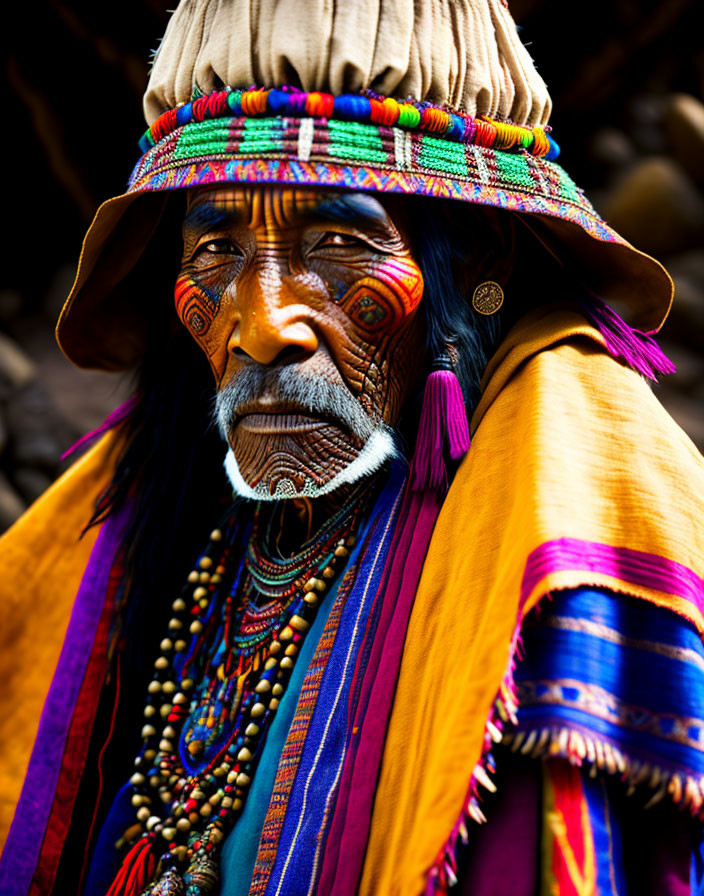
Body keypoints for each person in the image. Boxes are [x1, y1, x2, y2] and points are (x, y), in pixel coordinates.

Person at [1, 0, 703, 894]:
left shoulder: (576, 499)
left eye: (335, 241)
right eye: (215, 246)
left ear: (480, 261)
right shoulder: (132, 511)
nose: (263, 326)